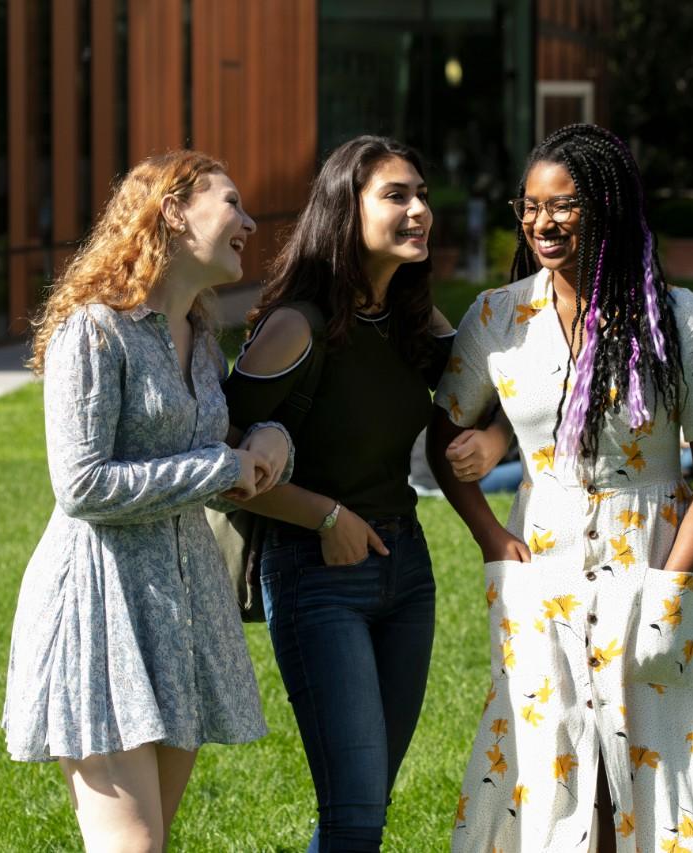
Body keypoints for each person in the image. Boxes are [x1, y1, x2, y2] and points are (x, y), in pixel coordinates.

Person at [428, 124, 693, 853]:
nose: (542, 222)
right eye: (530, 205)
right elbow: (441, 439)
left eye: (563, 205)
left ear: (606, 207)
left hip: (649, 559)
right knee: (550, 746)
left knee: (644, 745)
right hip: (539, 565)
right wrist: (491, 538)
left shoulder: (680, 316)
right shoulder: (497, 317)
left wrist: (672, 587)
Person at [2, 151, 294, 853]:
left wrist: (270, 436)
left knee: (150, 841)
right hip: (102, 605)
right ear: (172, 211)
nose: (249, 221)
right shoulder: (92, 330)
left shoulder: (199, 338)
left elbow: (214, 437)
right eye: (231, 203)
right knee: (131, 845)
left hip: (180, 612)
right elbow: (81, 484)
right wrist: (217, 466)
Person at [222, 136, 453, 852]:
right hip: (318, 577)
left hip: (407, 573)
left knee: (367, 799)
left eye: (421, 194)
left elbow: (503, 391)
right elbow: (220, 462)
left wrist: (496, 444)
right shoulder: (296, 326)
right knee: (355, 812)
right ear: (343, 212)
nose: (419, 210)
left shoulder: (414, 318)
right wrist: (325, 514)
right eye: (396, 196)